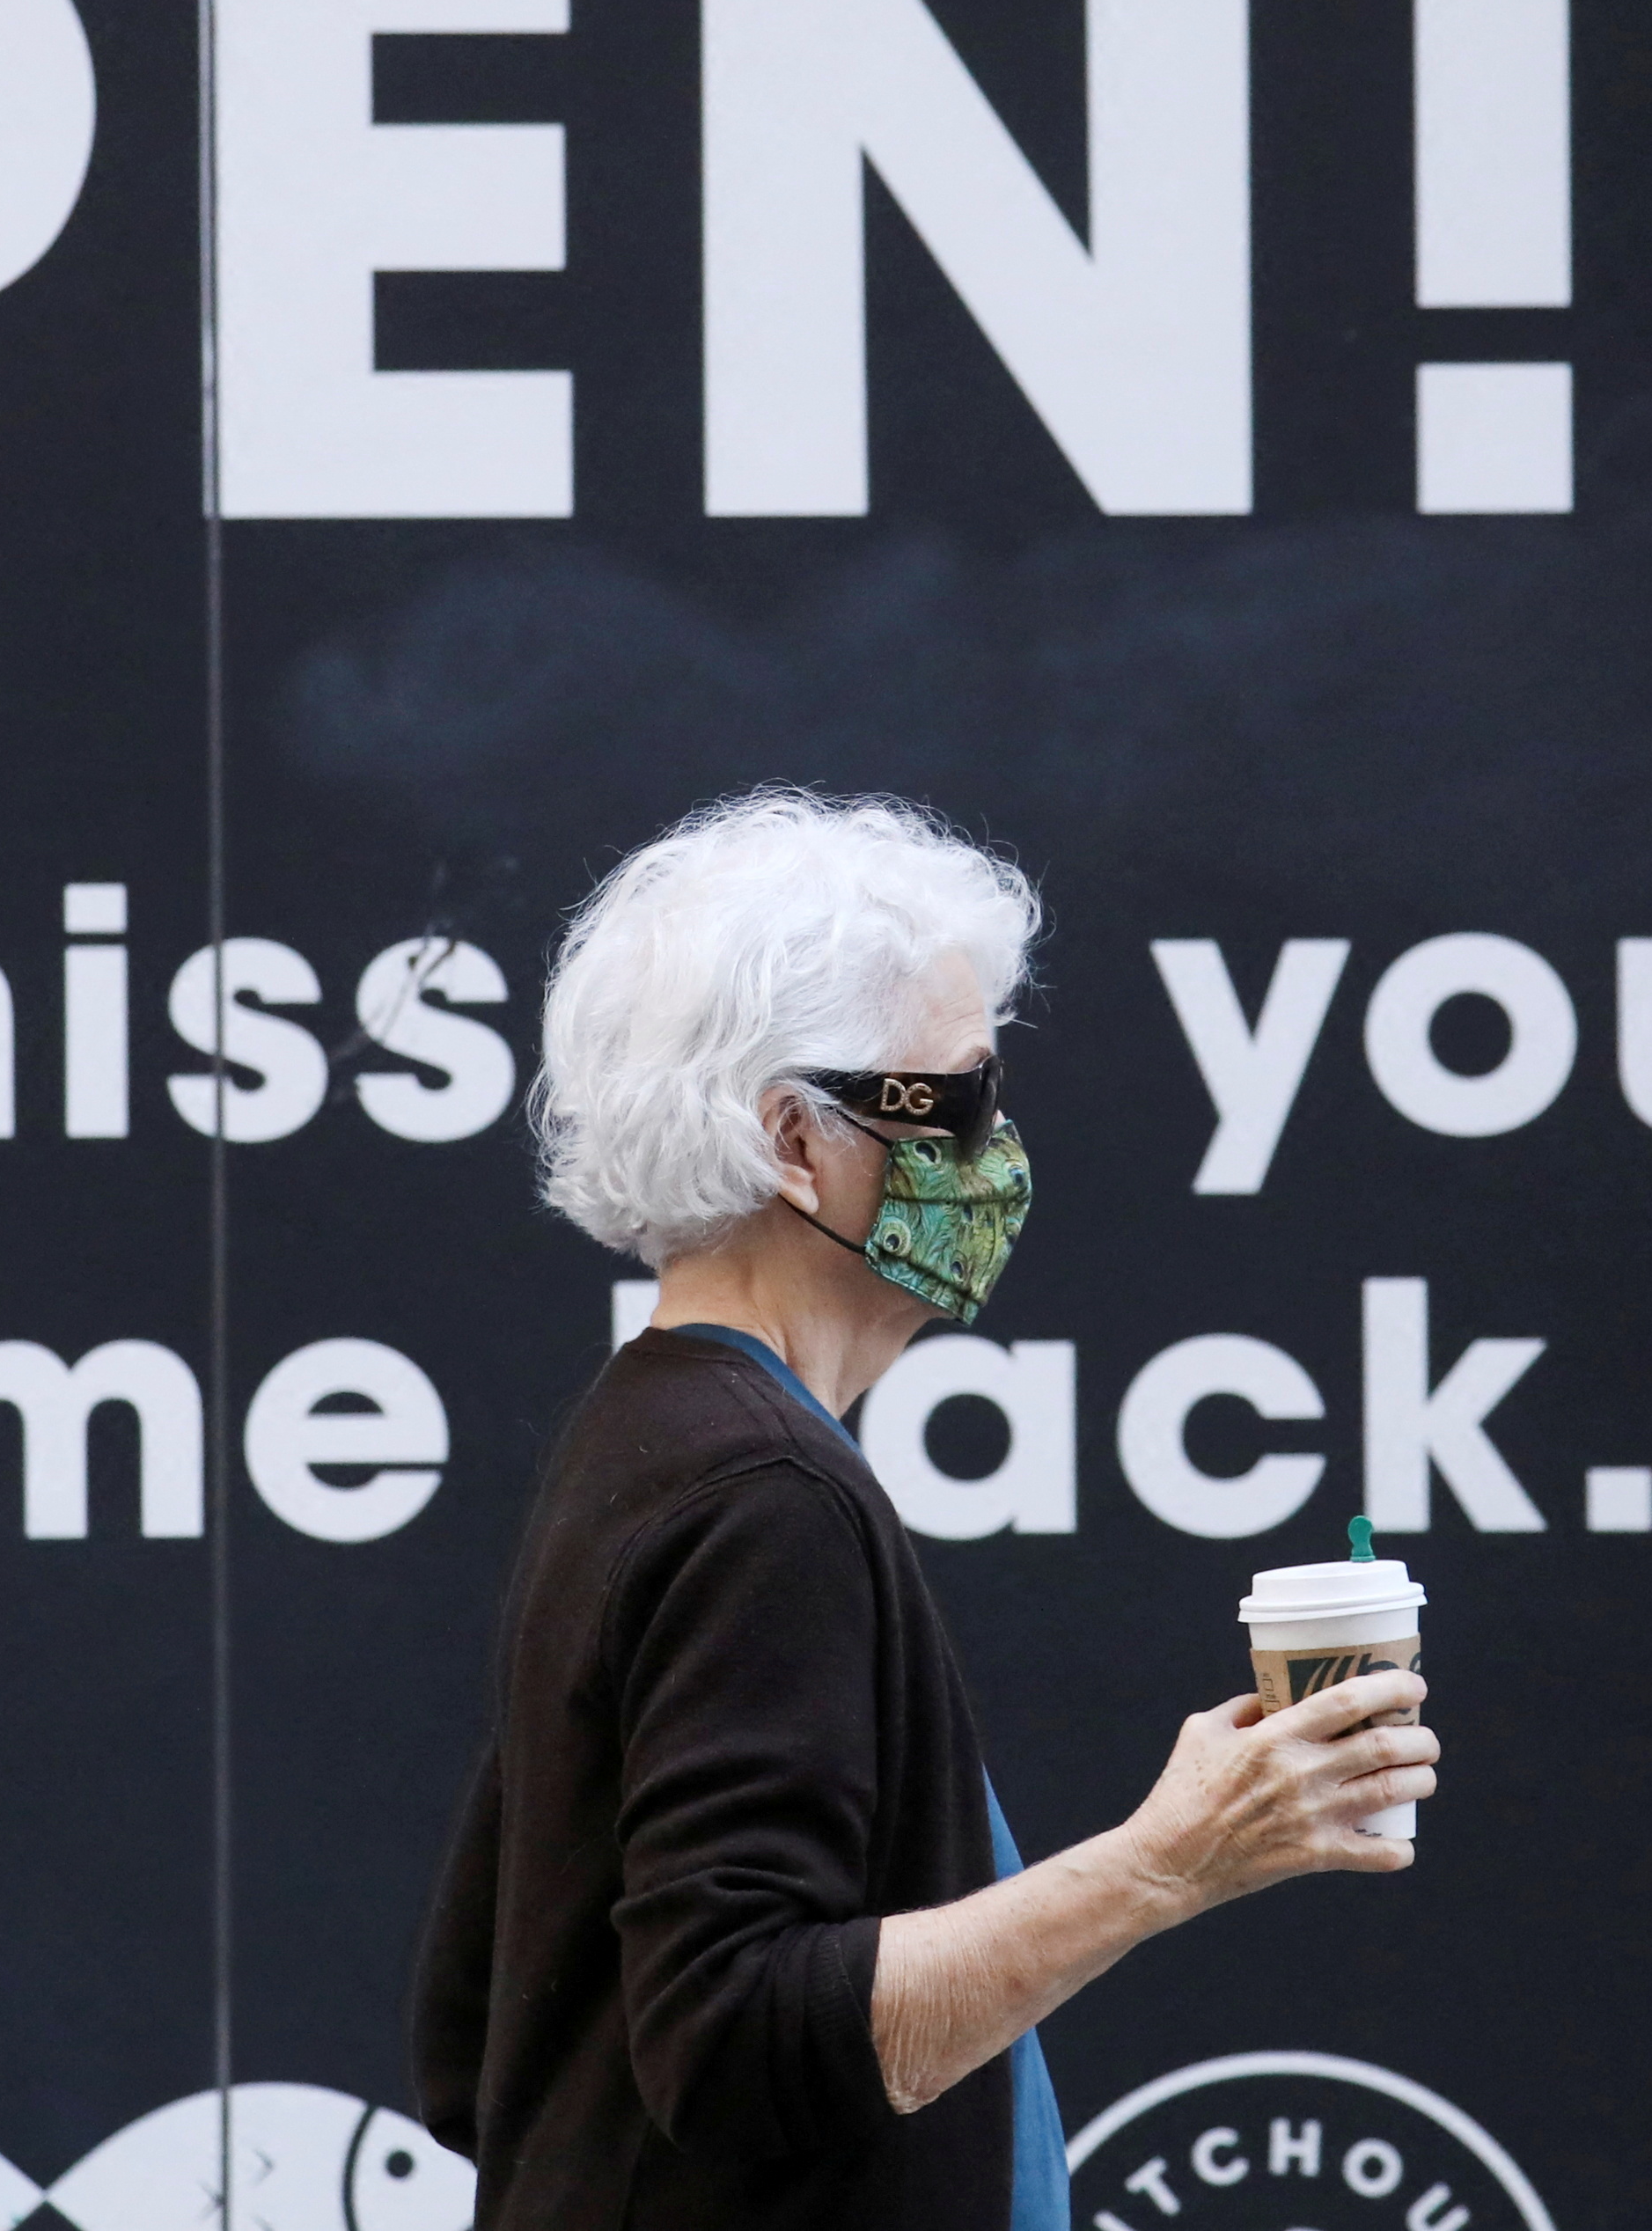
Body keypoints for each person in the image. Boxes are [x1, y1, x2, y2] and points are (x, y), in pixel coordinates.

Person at [411, 791, 1440, 2231]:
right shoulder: (758, 1494)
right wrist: (1168, 1861)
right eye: (961, 1097)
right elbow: (729, 2038)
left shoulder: (647, 1437)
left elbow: (482, 2030)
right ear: (793, 1140)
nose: (1000, 1147)